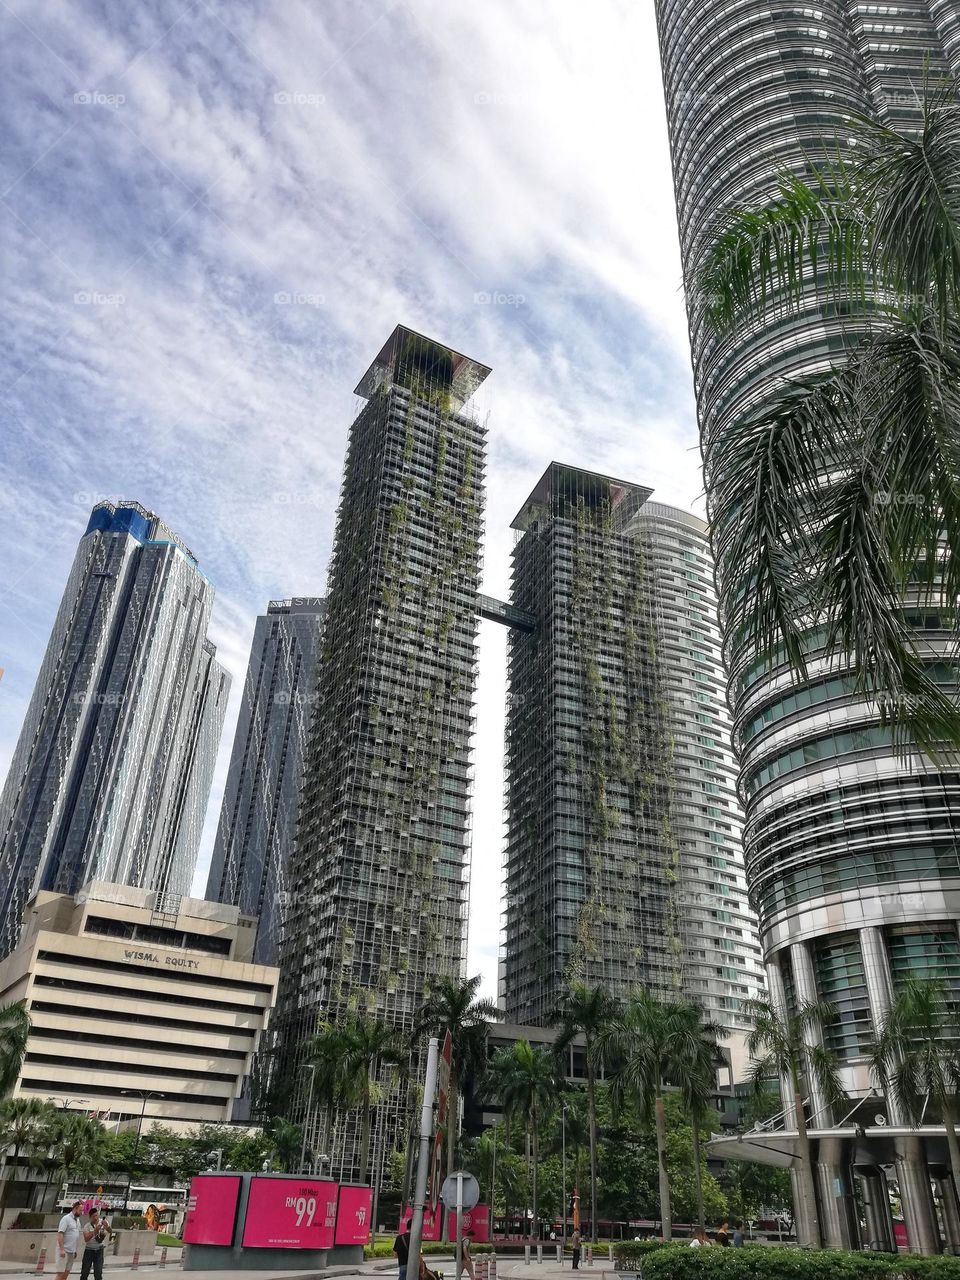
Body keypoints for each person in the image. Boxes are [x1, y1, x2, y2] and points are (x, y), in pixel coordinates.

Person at [80, 1208, 113, 1280]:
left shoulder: (103, 1222)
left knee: (98, 1273)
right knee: (85, 1272)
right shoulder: (87, 1226)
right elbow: (86, 1239)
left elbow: (111, 1231)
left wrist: (107, 1226)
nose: (95, 1218)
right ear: (90, 1217)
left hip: (99, 1250)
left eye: (96, 1215)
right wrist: (95, 1231)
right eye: (93, 1216)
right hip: (89, 1250)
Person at [56, 1201, 84, 1280]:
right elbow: (60, 1233)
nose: (81, 1213)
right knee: (60, 1274)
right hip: (64, 1250)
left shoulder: (78, 1221)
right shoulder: (66, 1219)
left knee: (66, 1272)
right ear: (75, 1209)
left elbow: (76, 1236)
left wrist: (75, 1250)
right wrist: (61, 1249)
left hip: (72, 1251)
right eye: (80, 1210)